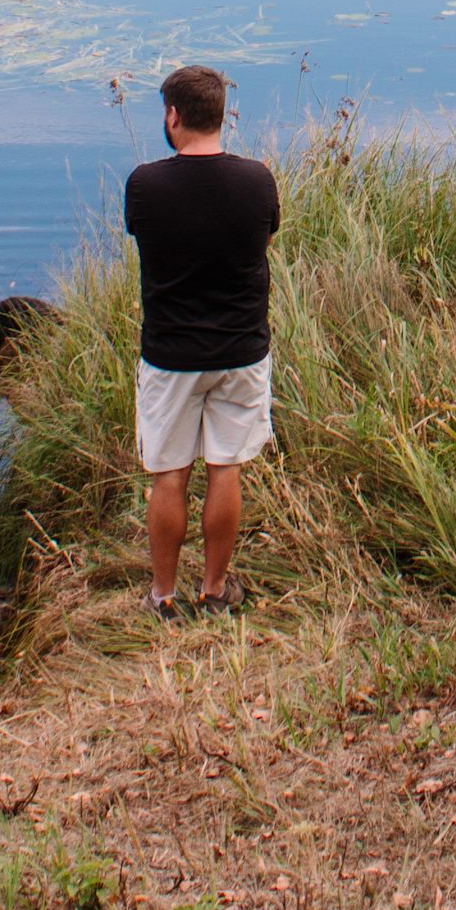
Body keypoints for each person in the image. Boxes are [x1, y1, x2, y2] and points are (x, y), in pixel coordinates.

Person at [123, 63, 280, 617]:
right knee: (225, 468)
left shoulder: (145, 184)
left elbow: (146, 238)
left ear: (173, 116)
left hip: (170, 356)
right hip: (241, 352)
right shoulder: (257, 180)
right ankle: (214, 591)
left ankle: (163, 598)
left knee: (169, 474)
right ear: (221, 116)